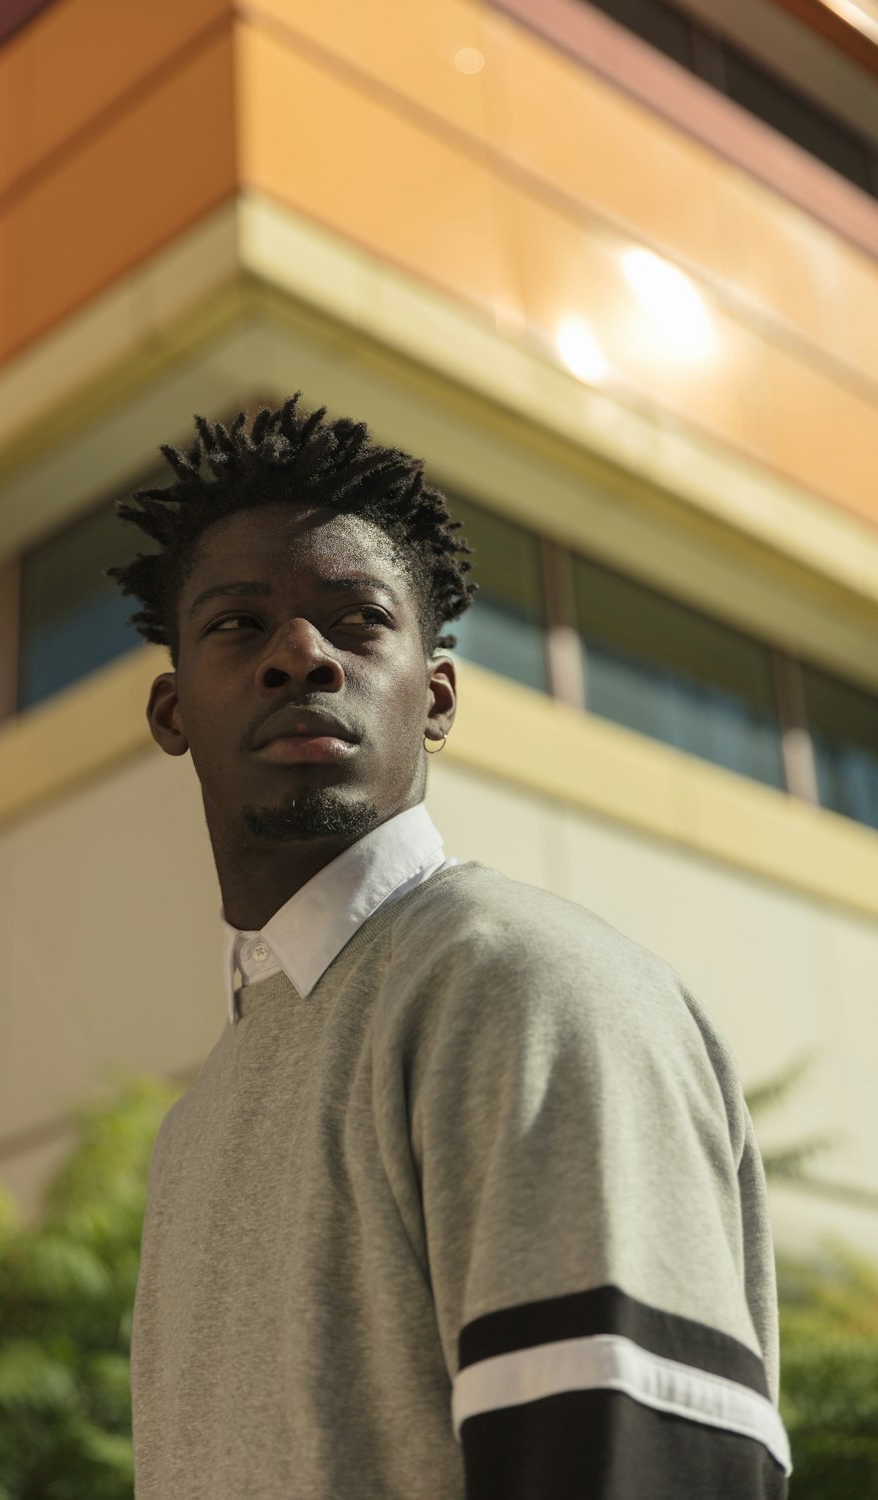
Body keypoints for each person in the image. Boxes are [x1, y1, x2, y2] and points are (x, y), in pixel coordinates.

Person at [106, 391, 791, 1499]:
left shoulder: (521, 985)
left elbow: (634, 1464)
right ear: (172, 710)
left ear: (435, 697)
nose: (300, 655)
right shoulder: (198, 1126)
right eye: (239, 624)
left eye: (357, 618)